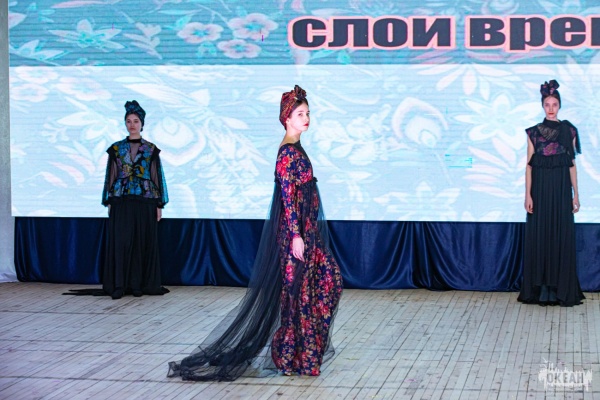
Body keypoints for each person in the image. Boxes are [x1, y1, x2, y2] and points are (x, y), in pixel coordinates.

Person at [167, 85, 343, 381]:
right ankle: (294, 358)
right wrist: (296, 236)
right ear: (287, 117)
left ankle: (299, 356)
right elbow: (288, 197)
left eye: (308, 113)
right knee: (298, 295)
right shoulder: (287, 153)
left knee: (323, 283)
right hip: (296, 236)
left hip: (307, 233)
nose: (306, 118)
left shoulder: (296, 148)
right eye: (301, 113)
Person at [517, 80, 584, 306]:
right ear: (542, 106)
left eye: (555, 104)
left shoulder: (569, 130)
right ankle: (541, 288)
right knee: (540, 236)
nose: (551, 108)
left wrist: (576, 194)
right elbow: (528, 166)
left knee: (560, 235)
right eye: (547, 104)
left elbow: (572, 165)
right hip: (540, 190)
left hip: (561, 190)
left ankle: (559, 288)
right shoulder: (533, 132)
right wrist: (528, 195)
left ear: (560, 105)